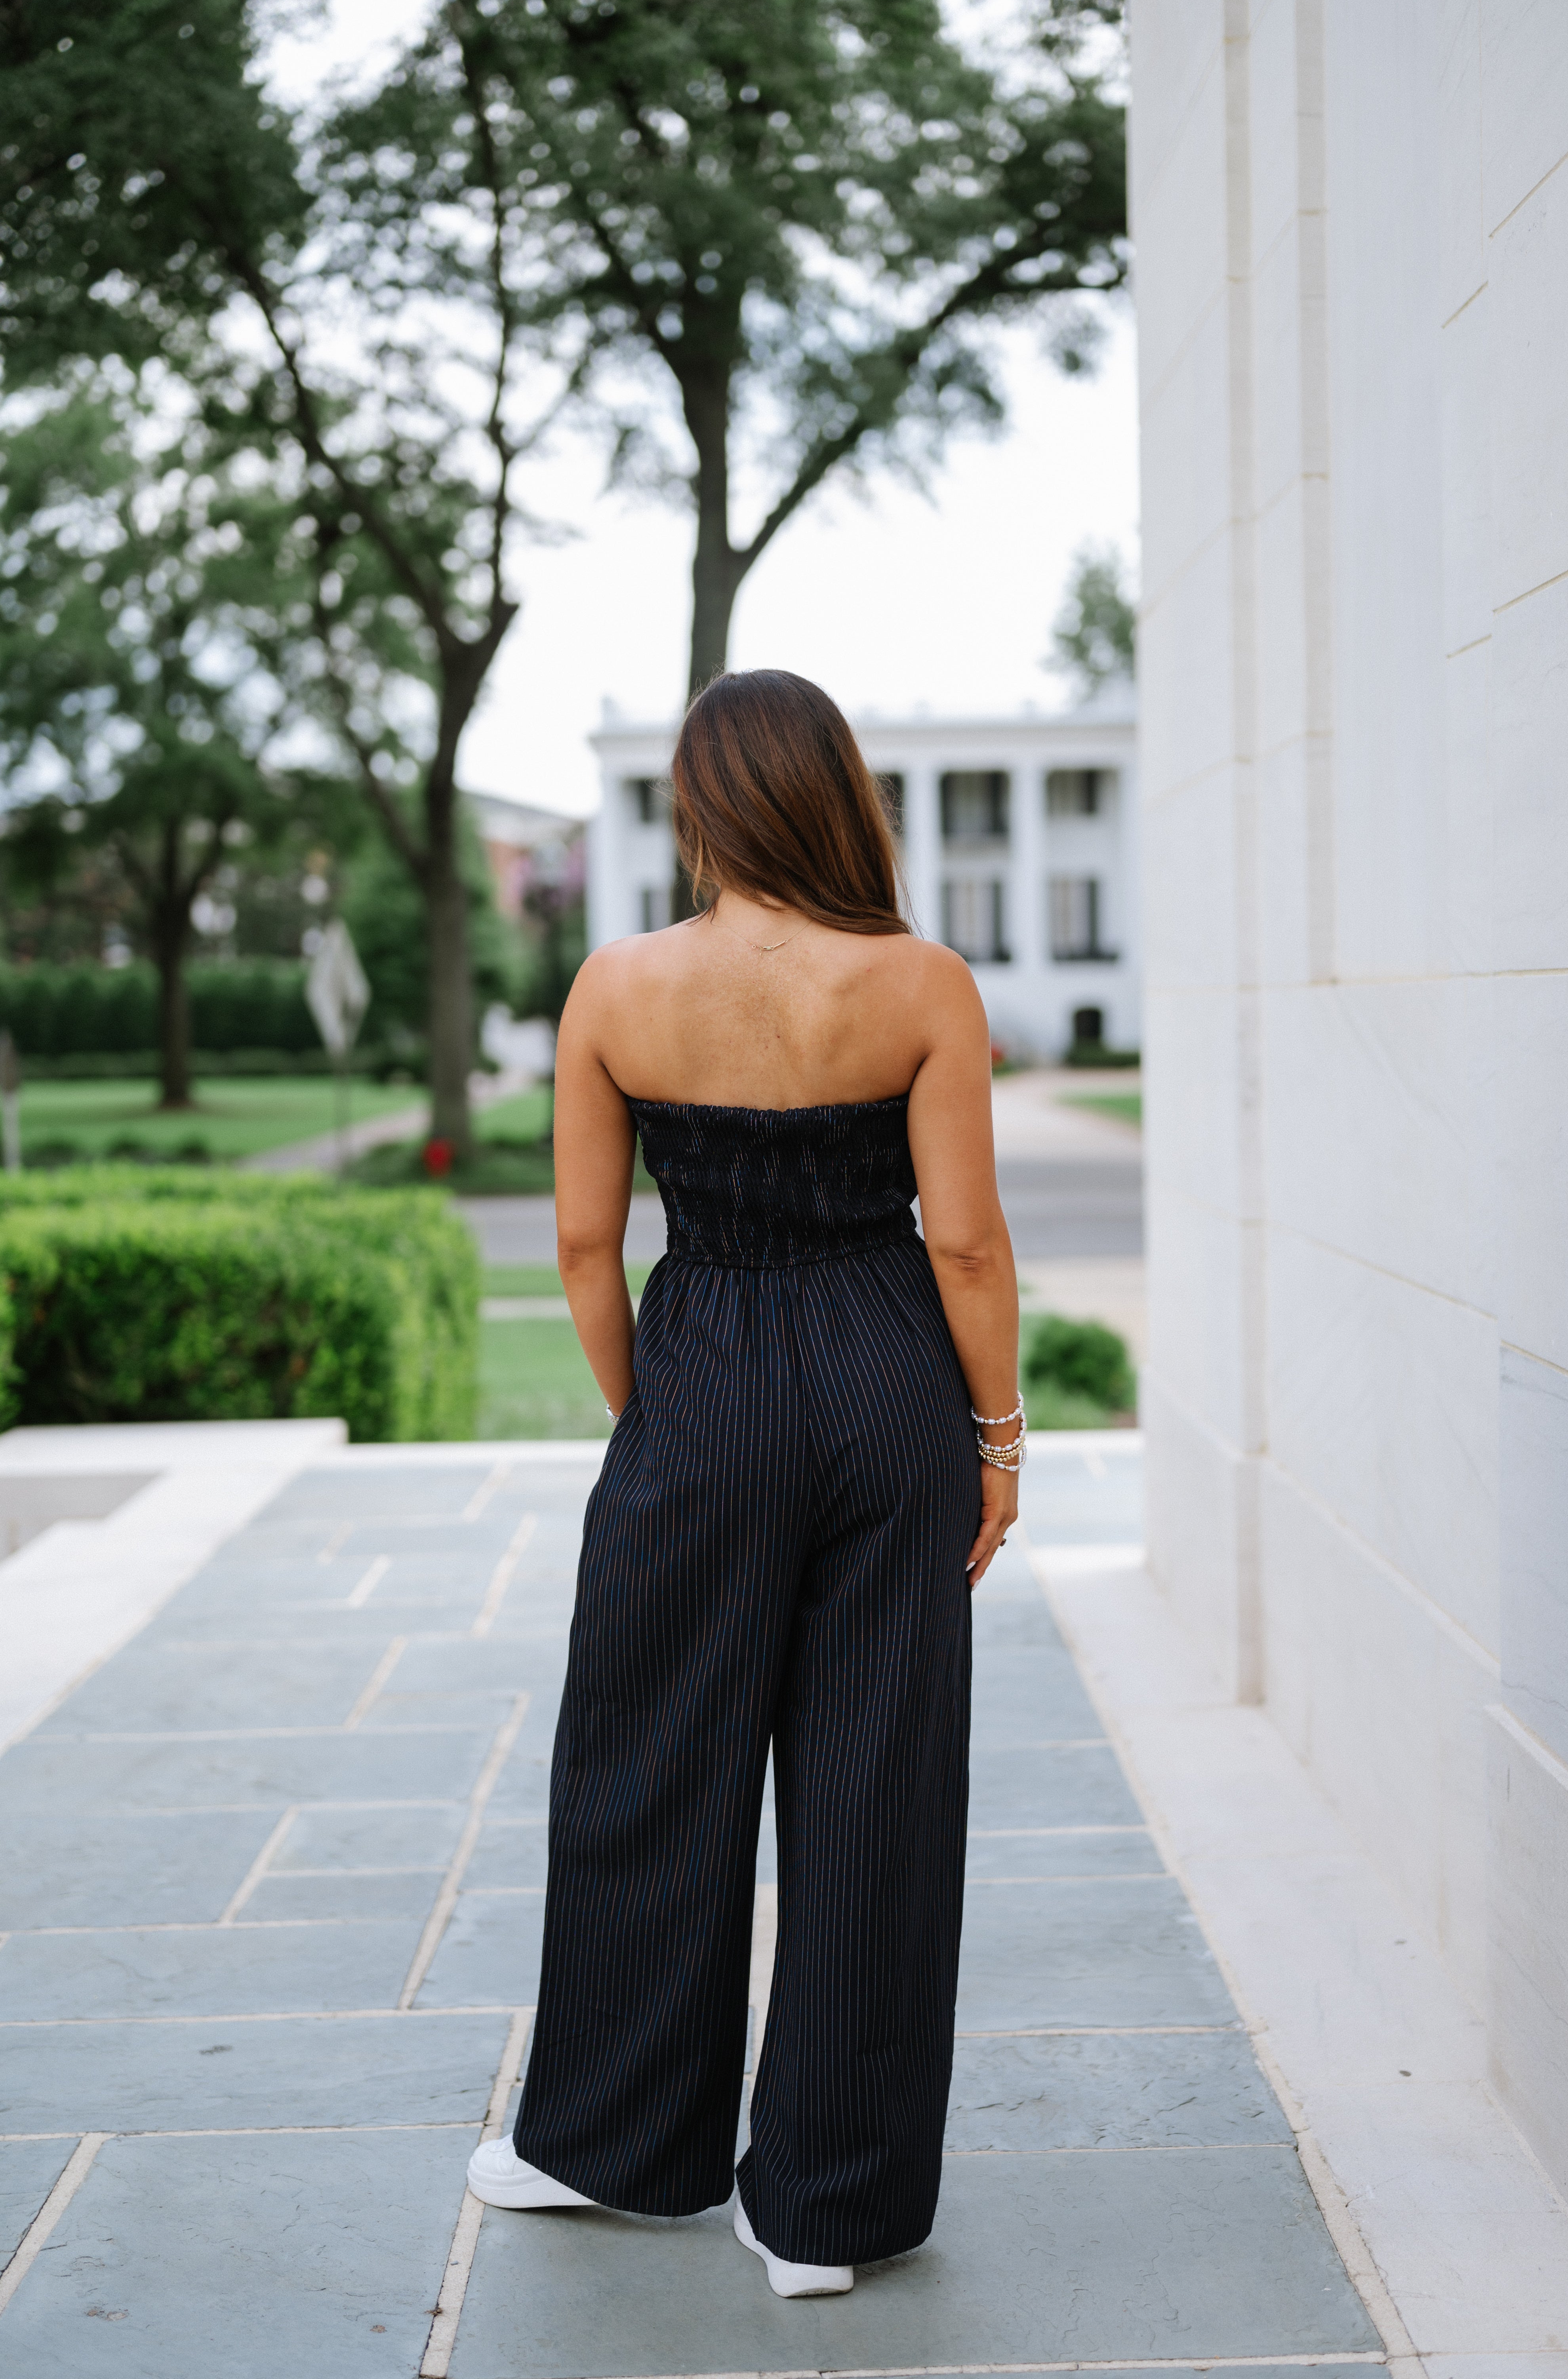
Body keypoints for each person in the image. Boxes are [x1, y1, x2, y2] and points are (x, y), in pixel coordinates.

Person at [466, 669, 1023, 2297]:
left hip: (703, 1361)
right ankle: (822, 2215)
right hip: (885, 1374)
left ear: (701, 809)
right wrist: (994, 1443)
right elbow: (970, 1246)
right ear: (837, 794)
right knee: (874, 1786)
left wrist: (666, 1424)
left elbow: (584, 1245)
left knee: (647, 1758)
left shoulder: (616, 986)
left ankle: (607, 2145)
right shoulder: (922, 983)